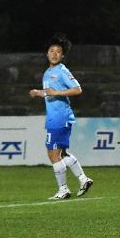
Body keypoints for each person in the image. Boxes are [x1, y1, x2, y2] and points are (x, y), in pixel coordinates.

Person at [28, 33, 93, 200]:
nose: (55, 53)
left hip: (60, 118)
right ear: (47, 53)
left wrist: (56, 92)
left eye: (58, 51)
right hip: (54, 118)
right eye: (52, 50)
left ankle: (63, 189)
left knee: (53, 154)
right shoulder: (47, 72)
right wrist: (38, 93)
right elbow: (50, 94)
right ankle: (83, 179)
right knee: (61, 153)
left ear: (62, 55)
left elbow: (77, 89)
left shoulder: (62, 70)